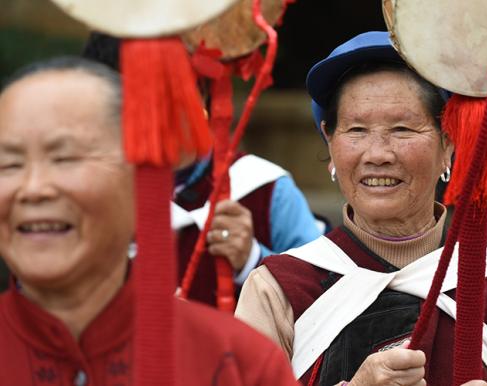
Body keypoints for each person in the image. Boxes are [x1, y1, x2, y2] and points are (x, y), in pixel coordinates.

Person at [234, 32, 487, 386]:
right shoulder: (279, 290)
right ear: (330, 143)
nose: (378, 153)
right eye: (356, 130)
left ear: (447, 145)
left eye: (402, 129)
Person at [0, 56, 297, 385]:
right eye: (8, 164)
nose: (34, 189)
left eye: (65, 158)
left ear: (141, 180)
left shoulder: (240, 362)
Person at [83, 32, 322, 306]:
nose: (152, 111)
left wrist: (252, 260)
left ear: (204, 93)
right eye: (133, 93)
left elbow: (328, 301)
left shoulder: (264, 189)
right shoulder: (84, 190)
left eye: (169, 90)